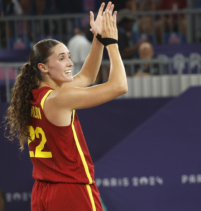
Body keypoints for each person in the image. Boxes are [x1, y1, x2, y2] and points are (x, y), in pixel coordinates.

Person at [4, 2, 127, 211]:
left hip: (42, 192)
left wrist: (97, 38)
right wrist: (112, 42)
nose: (70, 63)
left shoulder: (34, 95)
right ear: (43, 67)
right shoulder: (59, 98)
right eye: (62, 58)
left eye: (69, 56)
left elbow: (87, 76)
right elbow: (119, 86)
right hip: (71, 191)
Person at [117, 9, 154, 76]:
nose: (132, 24)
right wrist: (139, 44)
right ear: (125, 22)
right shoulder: (119, 34)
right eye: (131, 22)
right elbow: (123, 52)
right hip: (122, 69)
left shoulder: (124, 33)